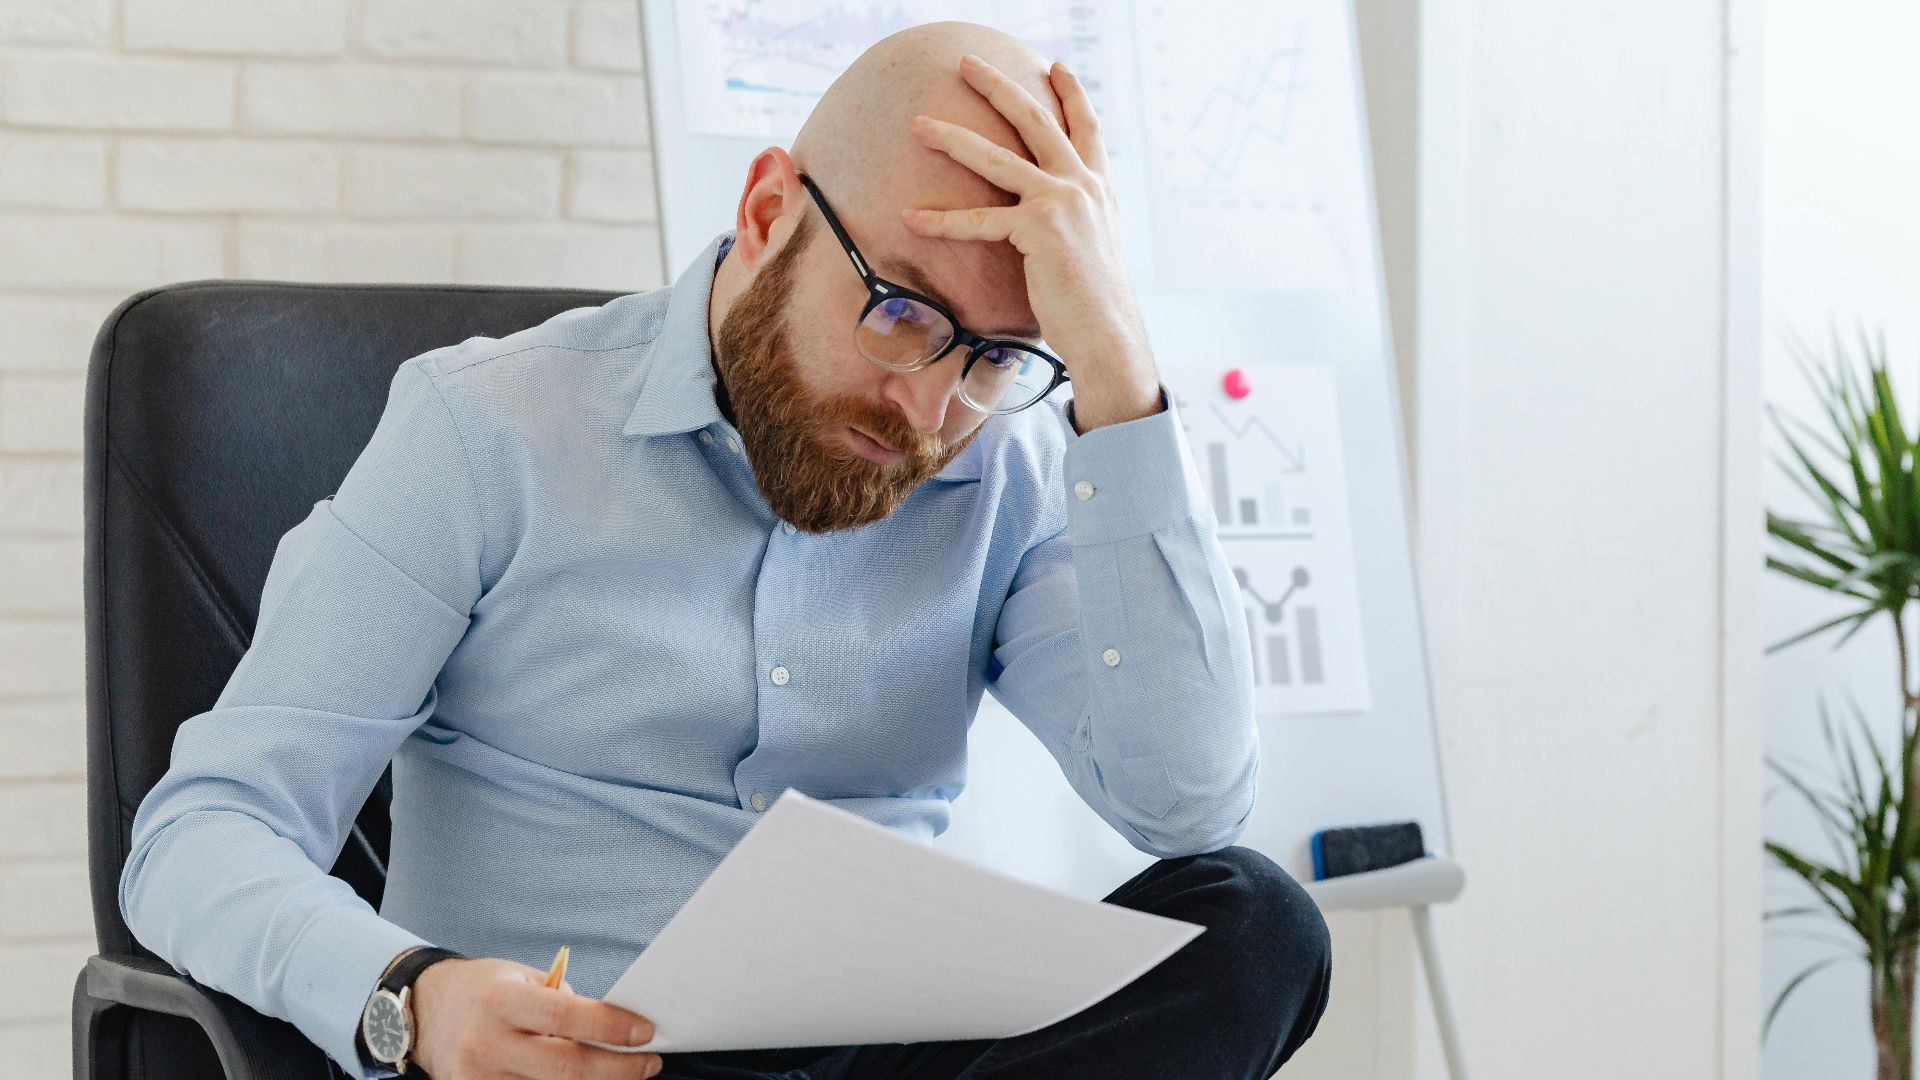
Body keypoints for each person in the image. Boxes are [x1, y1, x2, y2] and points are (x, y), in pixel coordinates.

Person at [117, 19, 1330, 1080]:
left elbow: (1188, 804)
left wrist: (1117, 376)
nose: (928, 408)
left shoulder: (1006, 466)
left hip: (879, 1047)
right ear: (765, 215)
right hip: (592, 1061)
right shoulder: (487, 430)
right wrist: (413, 999)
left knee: (1258, 923)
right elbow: (202, 833)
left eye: (997, 356)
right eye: (902, 312)